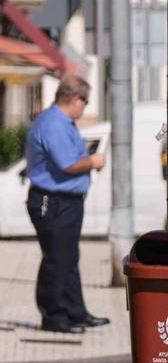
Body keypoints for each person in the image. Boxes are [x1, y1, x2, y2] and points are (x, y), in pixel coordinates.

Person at [25, 75, 110, 334]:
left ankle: (75, 312)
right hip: (54, 202)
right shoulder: (54, 124)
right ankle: (53, 315)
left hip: (66, 201)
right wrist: (93, 161)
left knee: (69, 258)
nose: (85, 107)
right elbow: (68, 164)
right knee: (57, 259)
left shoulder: (62, 122)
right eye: (85, 101)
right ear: (75, 99)